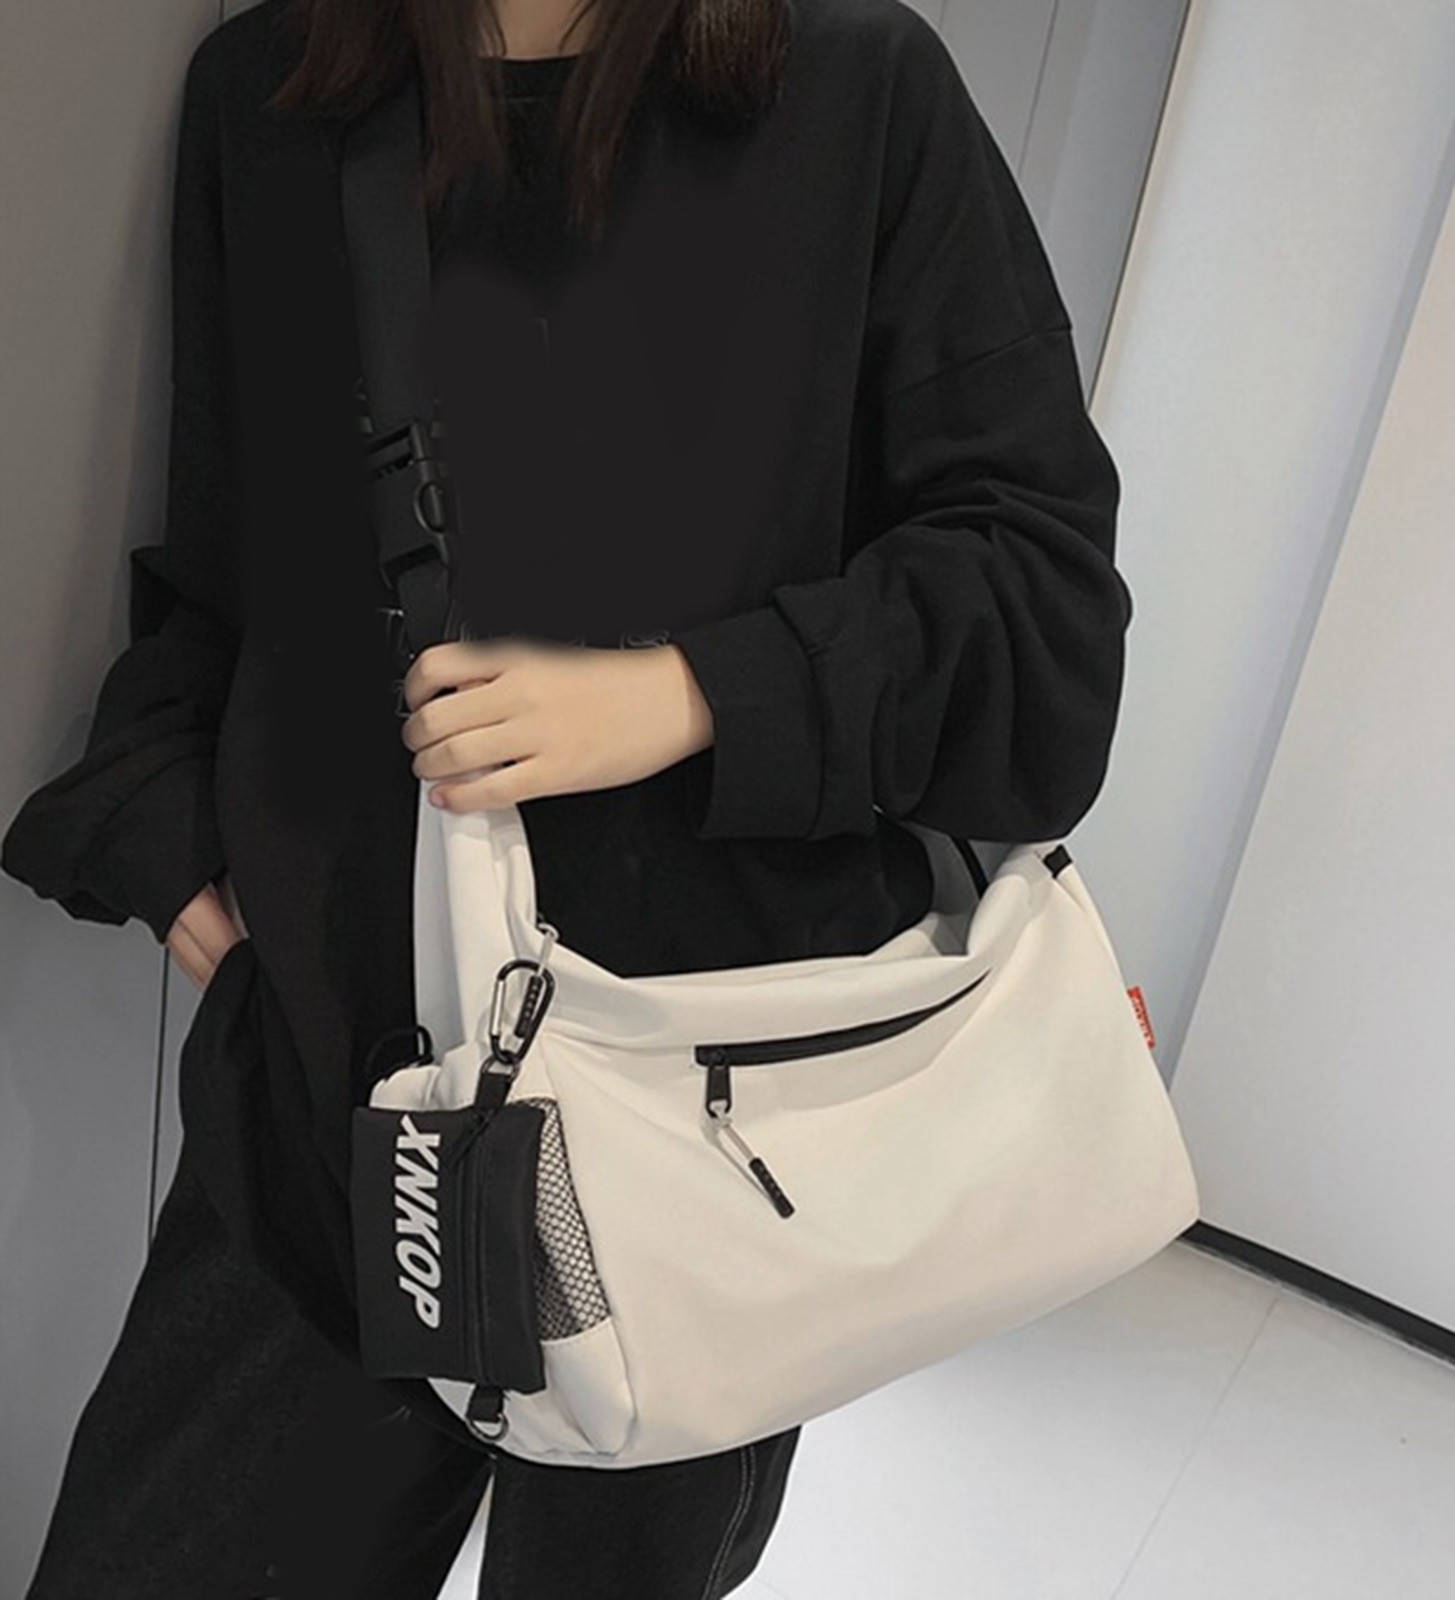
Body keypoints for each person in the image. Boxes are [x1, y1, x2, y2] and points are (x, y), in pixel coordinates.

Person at [0, 0, 1133, 1593]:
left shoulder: (855, 85)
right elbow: (233, 572)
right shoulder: (274, 90)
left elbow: (1042, 606)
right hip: (341, 1095)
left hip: (705, 1129)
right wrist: (178, 863)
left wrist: (690, 696)